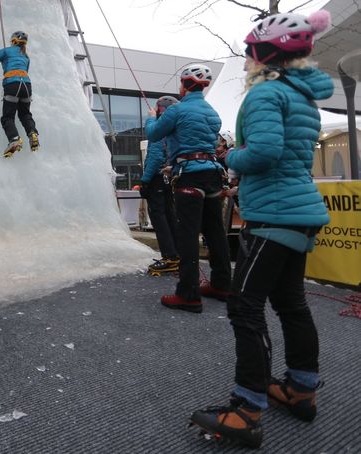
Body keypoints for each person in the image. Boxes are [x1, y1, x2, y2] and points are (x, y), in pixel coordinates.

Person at [190, 11, 334, 449]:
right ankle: (301, 389)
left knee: (244, 307)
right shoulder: (302, 96)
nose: (248, 60)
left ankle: (247, 409)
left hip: (272, 216)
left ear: (264, 53)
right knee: (291, 303)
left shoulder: (266, 92)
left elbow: (265, 152)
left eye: (251, 52)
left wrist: (229, 158)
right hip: (299, 211)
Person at [144, 64, 232, 312]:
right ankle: (223, 284)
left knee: (188, 235)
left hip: (189, 177)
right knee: (215, 232)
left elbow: (154, 135)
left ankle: (188, 294)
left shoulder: (176, 111)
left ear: (184, 84)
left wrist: (152, 118)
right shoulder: (213, 113)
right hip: (213, 174)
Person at [0, 30, 39, 158]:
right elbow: (25, 70)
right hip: (27, 86)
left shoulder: (6, 51)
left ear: (13, 41)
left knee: (8, 117)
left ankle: (14, 139)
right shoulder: (26, 56)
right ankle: (32, 133)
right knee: (25, 114)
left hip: (12, 84)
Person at [140, 96, 179, 275]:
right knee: (169, 215)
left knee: (158, 216)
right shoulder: (174, 129)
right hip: (167, 178)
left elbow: (155, 157)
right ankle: (175, 254)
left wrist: (145, 181)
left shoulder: (160, 129)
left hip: (156, 178)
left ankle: (169, 256)